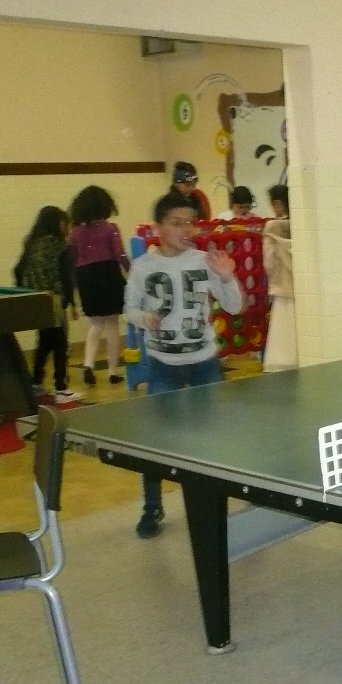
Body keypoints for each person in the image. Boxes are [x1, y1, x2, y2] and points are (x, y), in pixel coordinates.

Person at [124, 193, 242, 538]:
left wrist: (227, 278)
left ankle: (215, 505)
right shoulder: (142, 267)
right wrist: (143, 318)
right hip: (163, 364)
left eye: (190, 223)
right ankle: (152, 506)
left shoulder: (205, 261)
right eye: (176, 223)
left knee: (212, 439)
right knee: (155, 441)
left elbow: (235, 307)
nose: (186, 229)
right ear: (158, 228)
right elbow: (129, 309)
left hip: (203, 362)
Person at [13, 205, 82, 402]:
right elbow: (65, 276)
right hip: (53, 299)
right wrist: (71, 302)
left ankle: (35, 382)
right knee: (60, 343)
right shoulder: (59, 246)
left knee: (44, 342)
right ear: (59, 223)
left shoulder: (31, 243)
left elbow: (17, 270)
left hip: (34, 299)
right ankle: (61, 388)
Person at [69, 185, 130, 386]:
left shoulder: (75, 232)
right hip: (107, 273)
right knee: (112, 323)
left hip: (85, 276)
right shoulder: (110, 228)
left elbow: (72, 259)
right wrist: (131, 272)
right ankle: (112, 371)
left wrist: (75, 286)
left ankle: (88, 363)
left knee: (95, 324)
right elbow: (120, 255)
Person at [261, 183, 297, 371]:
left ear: (277, 204)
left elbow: (269, 262)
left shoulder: (272, 227)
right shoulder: (302, 226)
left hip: (283, 289)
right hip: (303, 290)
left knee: (283, 341)